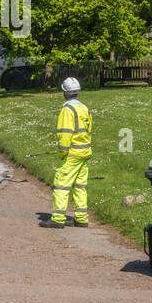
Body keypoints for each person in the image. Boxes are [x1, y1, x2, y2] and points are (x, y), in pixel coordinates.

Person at [42, 77, 92, 228]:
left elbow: (65, 134)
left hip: (71, 154)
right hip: (84, 153)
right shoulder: (84, 108)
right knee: (80, 187)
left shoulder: (67, 110)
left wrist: (62, 153)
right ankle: (81, 218)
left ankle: (57, 219)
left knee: (61, 185)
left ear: (64, 92)